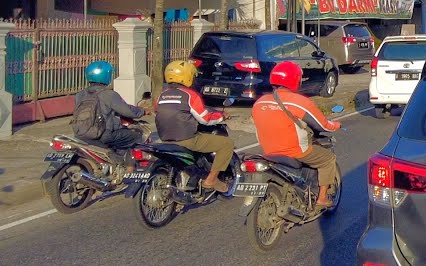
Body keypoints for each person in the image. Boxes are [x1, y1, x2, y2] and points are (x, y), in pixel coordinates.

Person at [252, 61, 341, 208]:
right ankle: (322, 198)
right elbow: (322, 125)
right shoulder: (300, 102)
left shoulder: (260, 102)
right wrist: (336, 125)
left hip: (268, 152)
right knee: (328, 159)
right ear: (296, 80)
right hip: (295, 151)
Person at [155, 59, 233, 192]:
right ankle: (211, 179)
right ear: (187, 76)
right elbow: (205, 119)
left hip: (164, 138)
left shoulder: (162, 95)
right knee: (226, 144)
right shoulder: (190, 95)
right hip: (187, 140)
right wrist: (221, 116)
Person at [72, 60, 147, 150]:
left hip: (81, 135)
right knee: (136, 135)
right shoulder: (108, 94)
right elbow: (127, 111)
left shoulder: (80, 95)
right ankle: (129, 163)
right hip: (103, 135)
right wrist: (142, 111)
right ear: (105, 76)